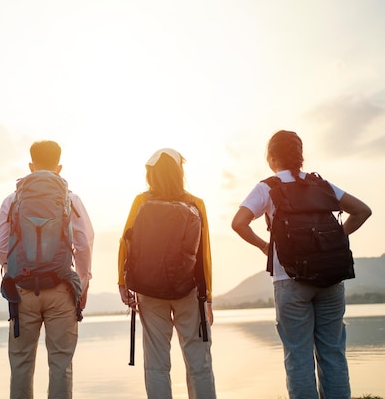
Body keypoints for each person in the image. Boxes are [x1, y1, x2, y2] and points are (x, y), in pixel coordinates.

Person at [231, 130, 372, 399]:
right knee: (333, 353)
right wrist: (331, 240)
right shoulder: (322, 185)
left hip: (289, 280)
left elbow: (238, 223)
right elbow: (363, 211)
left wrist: (265, 247)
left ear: (272, 157)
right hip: (331, 278)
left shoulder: (268, 187)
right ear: (300, 157)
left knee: (298, 356)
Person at [0, 140, 94, 399]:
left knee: (21, 364)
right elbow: (84, 243)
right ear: (59, 167)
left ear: (30, 165)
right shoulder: (71, 199)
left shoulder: (13, 199)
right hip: (61, 288)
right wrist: (83, 280)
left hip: (22, 291)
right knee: (61, 364)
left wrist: (15, 268)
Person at [117, 148, 216, 399]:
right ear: (179, 172)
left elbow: (125, 242)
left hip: (149, 292)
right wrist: (208, 298)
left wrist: (122, 282)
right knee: (199, 363)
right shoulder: (195, 203)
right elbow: (204, 253)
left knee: (156, 364)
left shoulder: (142, 201)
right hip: (189, 290)